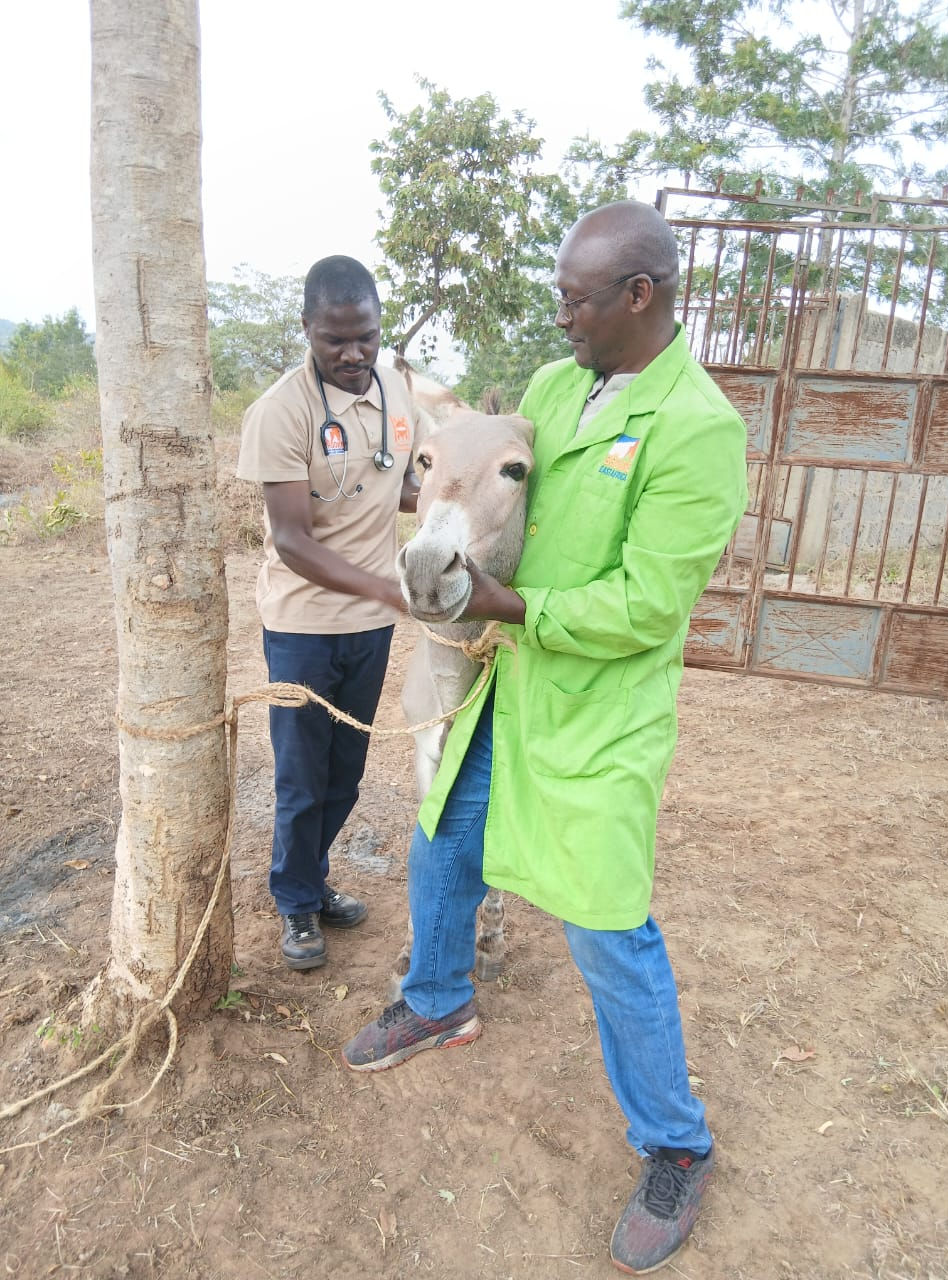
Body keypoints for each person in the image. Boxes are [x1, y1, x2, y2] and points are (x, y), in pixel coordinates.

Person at [342, 203, 749, 1275]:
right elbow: (495, 497)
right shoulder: (556, 389)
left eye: (575, 297)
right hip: (507, 682)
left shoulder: (697, 427)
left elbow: (649, 605)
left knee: (608, 924)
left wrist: (507, 605)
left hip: (597, 712)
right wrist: (449, 557)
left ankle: (676, 1143)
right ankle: (438, 998)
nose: (558, 312)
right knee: (442, 837)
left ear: (640, 297)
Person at [236, 256, 424, 971]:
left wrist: (444, 505)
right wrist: (385, 589)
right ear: (307, 331)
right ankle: (296, 905)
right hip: (303, 626)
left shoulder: (396, 392)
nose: (352, 355)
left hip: (369, 631)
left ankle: (311, 881)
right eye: (334, 341)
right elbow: (291, 541)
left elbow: (401, 485)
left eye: (366, 339)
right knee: (300, 776)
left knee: (345, 773)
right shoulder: (282, 412)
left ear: (381, 329)